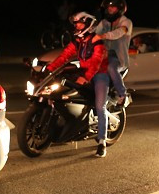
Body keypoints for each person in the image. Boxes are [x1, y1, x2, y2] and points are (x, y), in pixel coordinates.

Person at [45, 11, 112, 157]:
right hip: (84, 73)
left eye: (80, 23)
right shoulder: (78, 41)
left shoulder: (97, 41)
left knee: (100, 107)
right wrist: (49, 68)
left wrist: (85, 77)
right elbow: (65, 55)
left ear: (89, 25)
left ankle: (102, 142)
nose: (77, 26)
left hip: (100, 75)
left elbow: (96, 62)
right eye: (76, 24)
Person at [94, 0, 133, 108]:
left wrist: (103, 36)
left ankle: (122, 93)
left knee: (111, 68)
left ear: (119, 8)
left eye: (113, 7)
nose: (110, 9)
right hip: (103, 56)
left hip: (118, 58)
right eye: (108, 7)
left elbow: (119, 33)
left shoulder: (126, 22)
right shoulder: (104, 22)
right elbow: (95, 32)